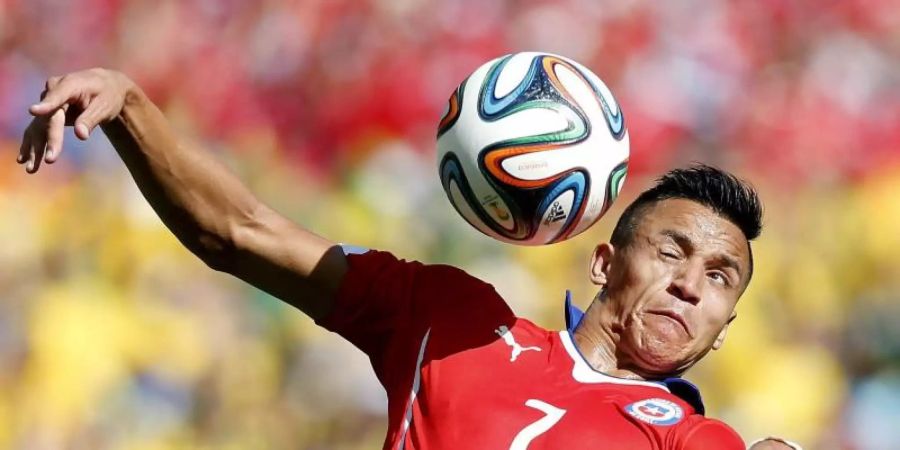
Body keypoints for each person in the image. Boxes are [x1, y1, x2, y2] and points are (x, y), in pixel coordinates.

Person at [18, 69, 788, 449]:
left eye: (720, 279)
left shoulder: (686, 434)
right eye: (673, 251)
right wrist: (129, 106)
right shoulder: (451, 321)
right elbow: (238, 232)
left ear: (724, 330)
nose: (690, 284)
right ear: (602, 263)